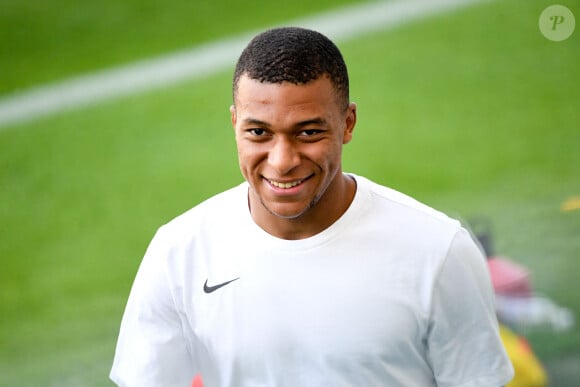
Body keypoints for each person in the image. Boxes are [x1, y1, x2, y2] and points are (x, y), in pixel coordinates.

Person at [110, 27, 514, 386]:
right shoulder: (177, 253)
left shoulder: (438, 251)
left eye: (308, 132)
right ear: (234, 124)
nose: (282, 159)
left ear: (348, 123)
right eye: (258, 132)